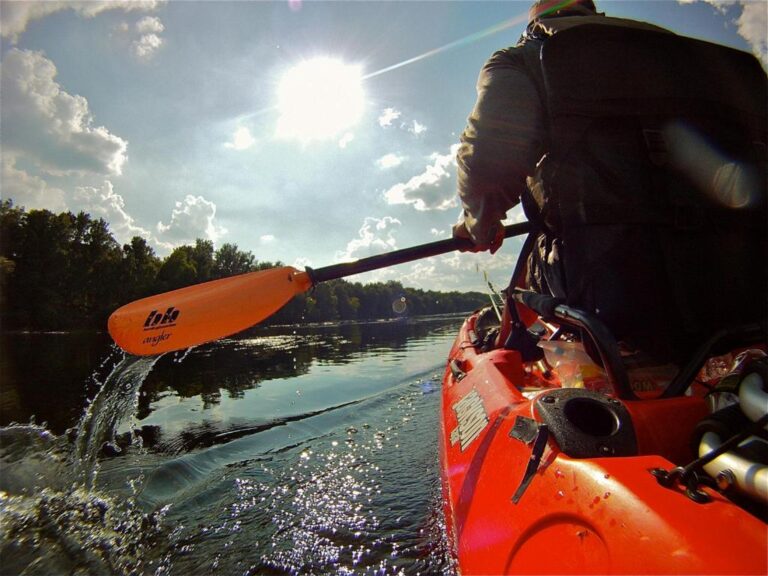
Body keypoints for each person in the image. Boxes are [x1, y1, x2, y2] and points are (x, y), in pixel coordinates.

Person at [452, 0, 767, 362]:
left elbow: (487, 163)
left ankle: (510, 344)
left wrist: (480, 223)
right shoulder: (680, 53)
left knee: (543, 235)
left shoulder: (525, 55)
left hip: (616, 296)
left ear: (536, 21)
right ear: (593, 14)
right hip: (747, 286)